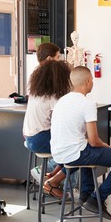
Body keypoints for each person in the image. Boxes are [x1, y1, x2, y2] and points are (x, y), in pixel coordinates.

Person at [50, 66, 111, 219]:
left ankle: (85, 194)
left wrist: (95, 144)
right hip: (75, 154)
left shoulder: (62, 100)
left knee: (89, 150)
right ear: (88, 82)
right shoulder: (87, 104)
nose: (93, 82)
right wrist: (105, 145)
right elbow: (95, 141)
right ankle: (97, 198)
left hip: (59, 153)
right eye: (93, 80)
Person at [22, 60, 70, 199]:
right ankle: (50, 178)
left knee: (70, 146)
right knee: (77, 151)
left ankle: (50, 175)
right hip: (39, 138)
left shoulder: (35, 93)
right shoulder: (53, 97)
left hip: (28, 137)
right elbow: (60, 123)